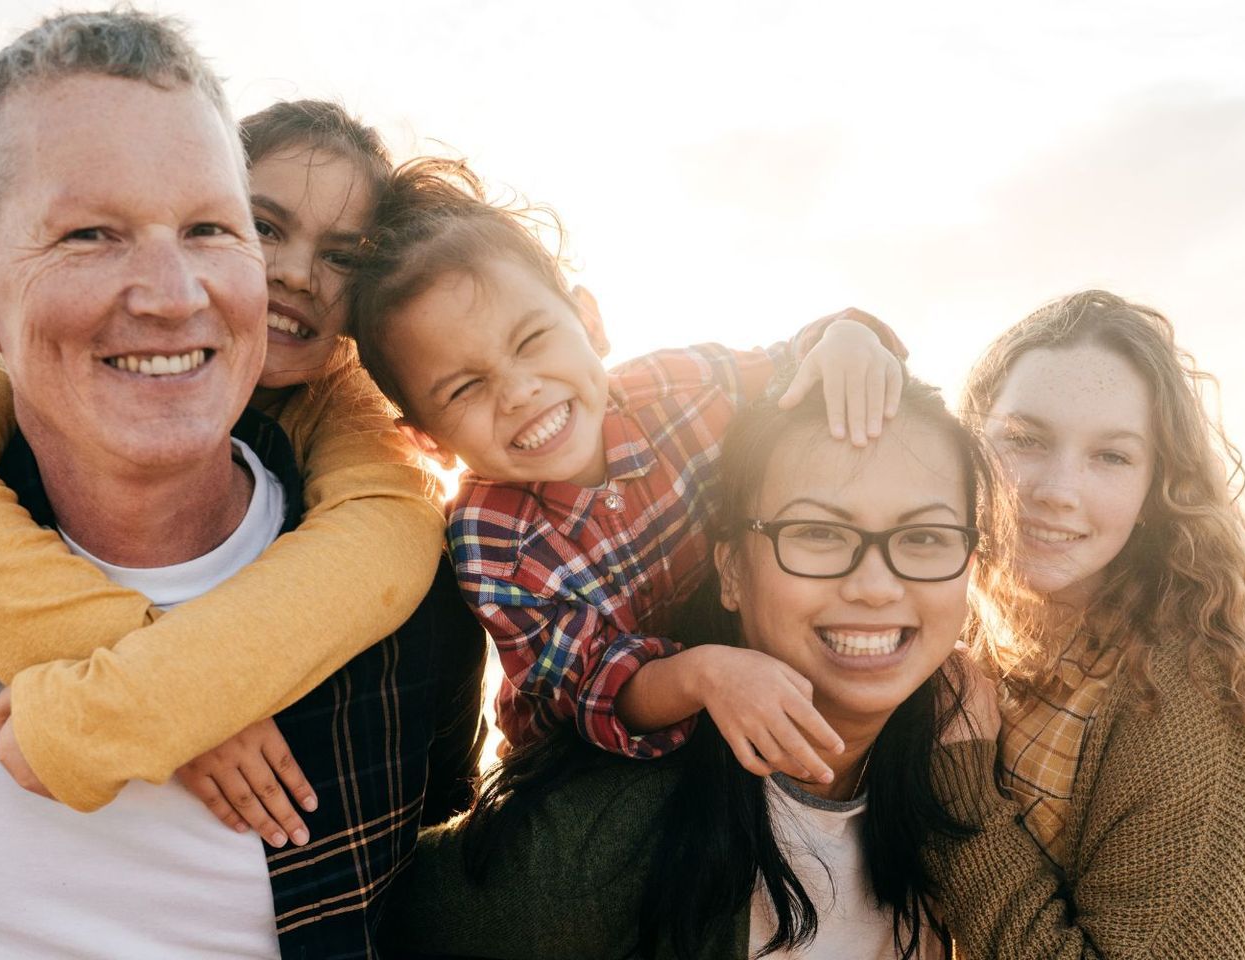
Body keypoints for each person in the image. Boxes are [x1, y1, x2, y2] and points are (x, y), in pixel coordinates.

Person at [0, 11, 473, 958]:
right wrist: (161, 689)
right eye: (89, 234)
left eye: (209, 228)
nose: (171, 292)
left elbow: (432, 873)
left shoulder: (408, 582)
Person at [0, 97, 486, 839]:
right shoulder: (48, 364)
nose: (297, 274)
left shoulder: (345, 401)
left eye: (343, 256)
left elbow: (385, 541)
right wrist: (178, 707)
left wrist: (127, 712)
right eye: (263, 228)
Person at [387, 374, 994, 959]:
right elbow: (393, 915)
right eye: (817, 533)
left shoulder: (983, 759)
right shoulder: (610, 840)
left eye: (925, 537)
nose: (874, 586)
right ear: (731, 570)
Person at [347, 158, 912, 783]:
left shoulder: (676, 387)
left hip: (750, 679)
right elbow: (598, 686)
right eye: (465, 388)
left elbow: (792, 365)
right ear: (430, 442)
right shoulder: (490, 538)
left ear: (589, 321)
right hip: (588, 763)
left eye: (532, 340)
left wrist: (847, 339)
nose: (517, 392)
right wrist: (704, 673)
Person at [924, 289, 1245, 958]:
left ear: (1157, 487)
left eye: (1111, 456)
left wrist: (964, 797)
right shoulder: (976, 630)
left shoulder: (1185, 686)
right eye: (1025, 439)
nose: (1057, 489)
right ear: (967, 444)